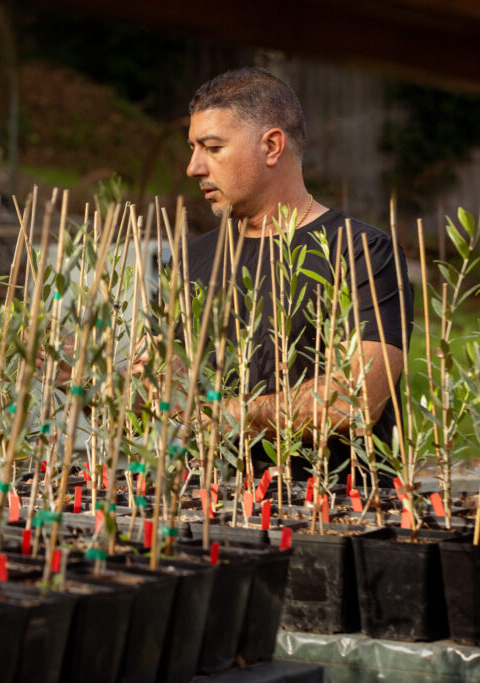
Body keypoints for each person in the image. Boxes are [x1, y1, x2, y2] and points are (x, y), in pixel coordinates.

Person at [183, 67, 413, 478]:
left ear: (272, 146)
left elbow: (353, 400)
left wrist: (226, 414)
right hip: (204, 507)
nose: (193, 167)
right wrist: (83, 374)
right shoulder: (190, 260)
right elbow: (167, 393)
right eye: (193, 149)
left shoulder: (362, 252)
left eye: (212, 148)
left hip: (337, 513)